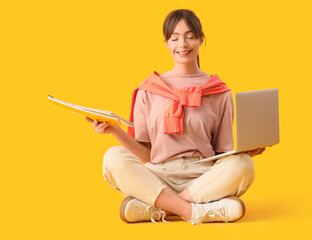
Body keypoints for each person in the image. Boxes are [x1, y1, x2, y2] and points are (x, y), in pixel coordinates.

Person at [85, 9, 265, 225]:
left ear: (200, 39)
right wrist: (113, 130)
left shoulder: (219, 92)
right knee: (113, 157)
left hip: (203, 177)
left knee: (243, 164)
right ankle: (197, 212)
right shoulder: (148, 90)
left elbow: (222, 153)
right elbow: (147, 155)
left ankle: (157, 209)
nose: (182, 44)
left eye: (190, 36)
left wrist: (245, 153)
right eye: (175, 38)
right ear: (167, 44)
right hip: (158, 176)